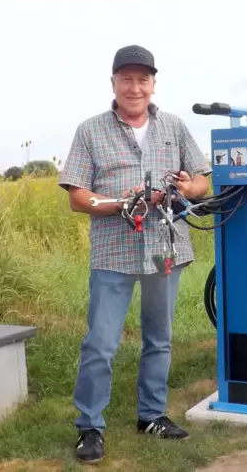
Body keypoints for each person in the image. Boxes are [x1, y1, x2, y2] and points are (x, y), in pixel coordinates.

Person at [58, 45, 211, 464]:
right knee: (100, 344)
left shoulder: (174, 127)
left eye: (143, 79)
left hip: (165, 248)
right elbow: (77, 196)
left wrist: (184, 188)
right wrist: (117, 204)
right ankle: (90, 425)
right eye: (126, 79)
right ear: (113, 83)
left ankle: (152, 416)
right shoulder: (90, 130)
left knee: (159, 338)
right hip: (113, 253)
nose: (135, 87)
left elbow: (202, 183)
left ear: (153, 83)